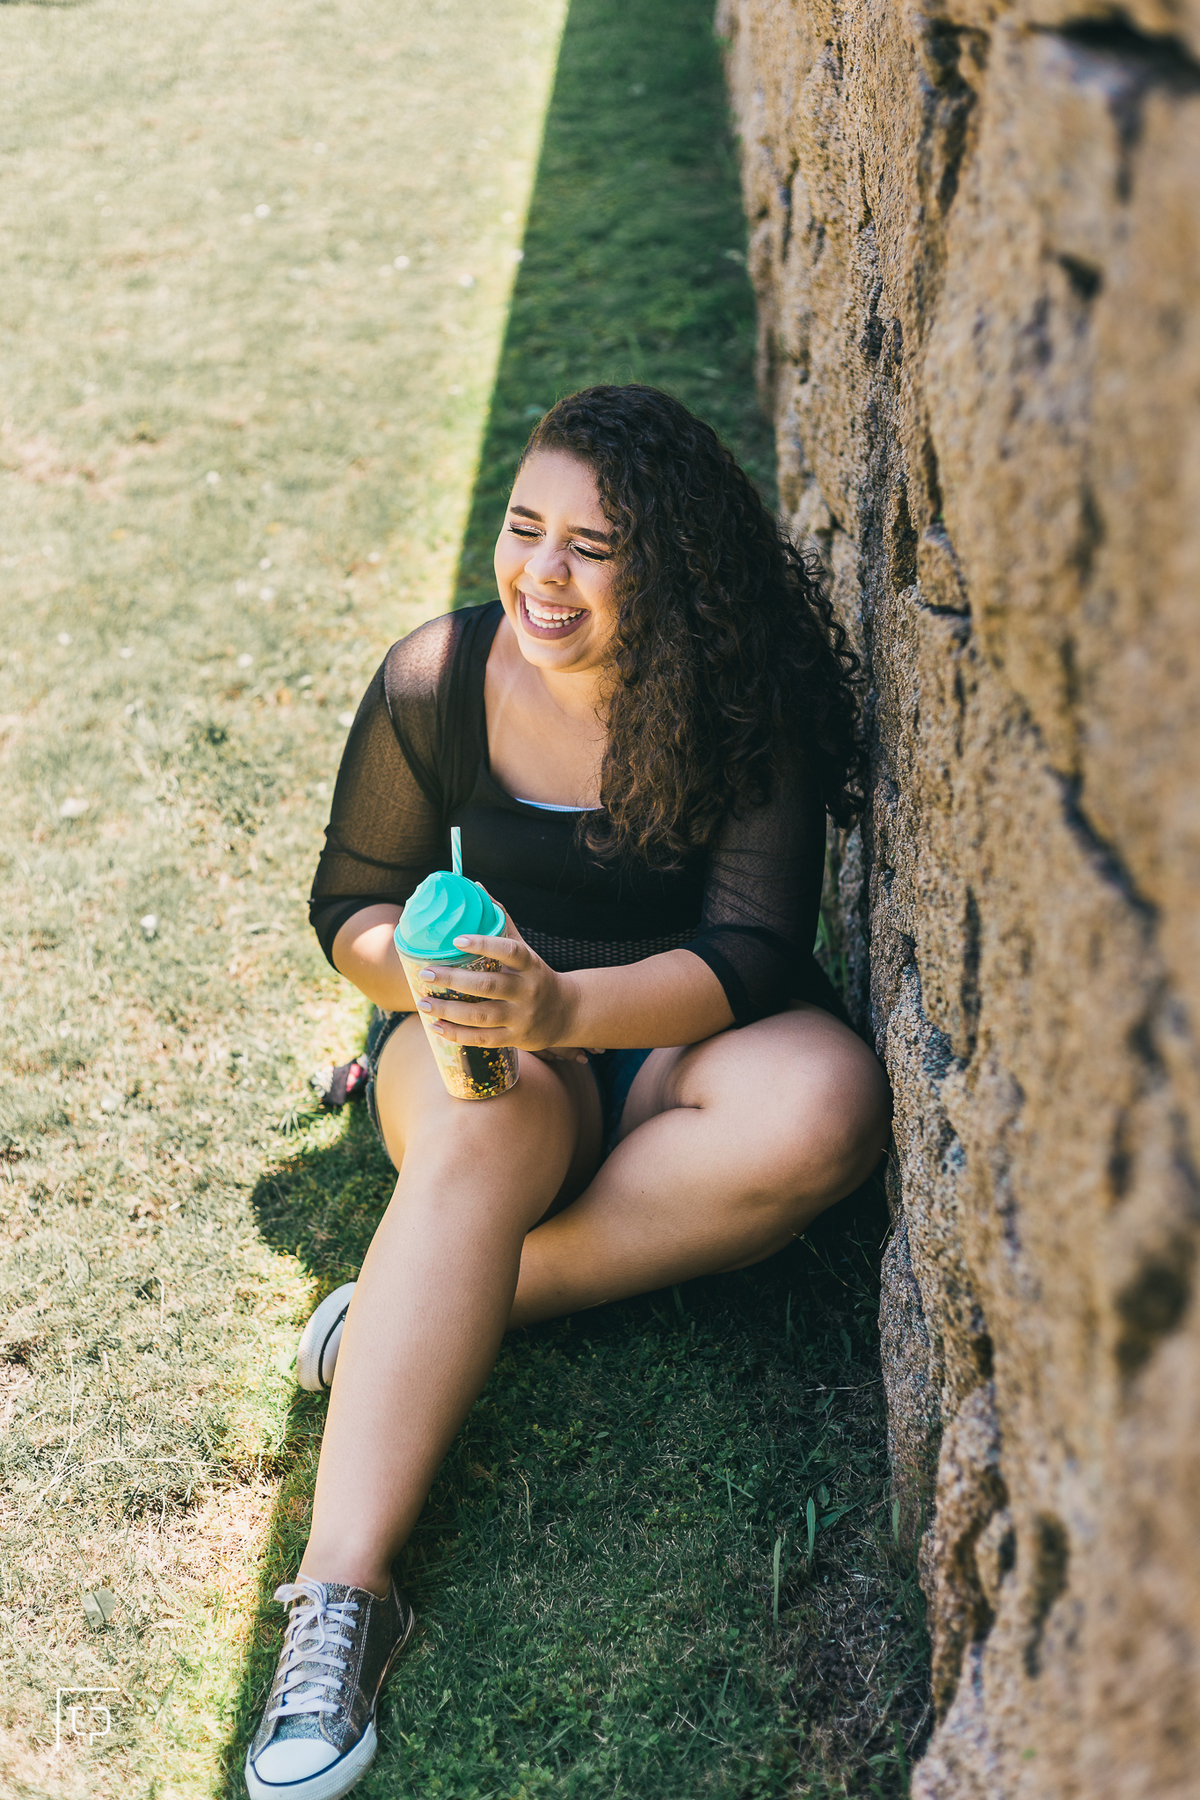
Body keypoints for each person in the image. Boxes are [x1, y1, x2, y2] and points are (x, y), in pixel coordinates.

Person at [243, 385, 891, 1800]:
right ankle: (341, 1599)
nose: (541, 573)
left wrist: (572, 1004)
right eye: (525, 528)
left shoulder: (739, 699)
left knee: (831, 1101)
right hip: (488, 1053)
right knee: (492, 1126)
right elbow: (349, 903)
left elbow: (752, 947)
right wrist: (439, 981)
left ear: (671, 569)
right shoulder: (438, 674)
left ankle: (415, 1306)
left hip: (665, 1041)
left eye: (592, 547)